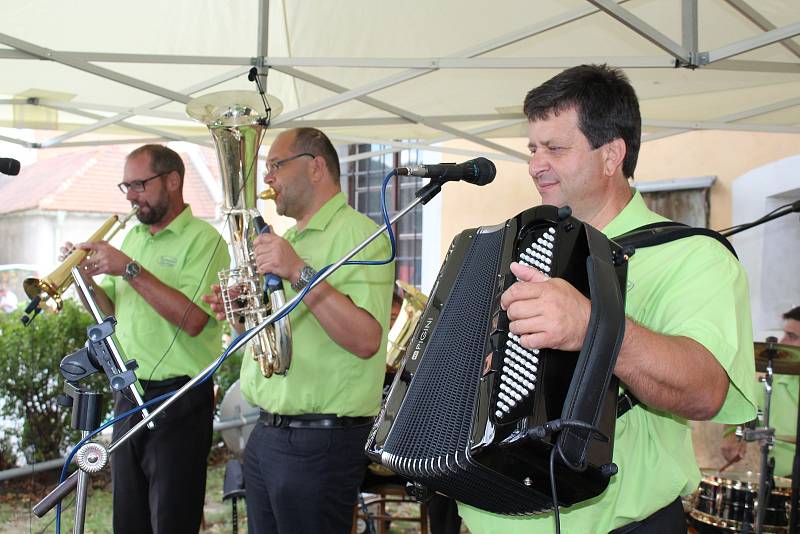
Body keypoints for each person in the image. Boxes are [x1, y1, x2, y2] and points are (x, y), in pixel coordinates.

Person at [458, 64, 757, 533]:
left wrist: (593, 327)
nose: (537, 163)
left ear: (612, 154)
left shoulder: (692, 257)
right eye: (533, 148)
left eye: (555, 148)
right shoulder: (513, 254)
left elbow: (706, 390)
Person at [204, 127, 395, 534]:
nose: (268, 178)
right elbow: (273, 334)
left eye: (276, 165)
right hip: (267, 432)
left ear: (316, 167)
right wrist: (242, 310)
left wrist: (298, 271)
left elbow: (366, 340)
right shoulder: (289, 238)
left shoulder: (362, 236)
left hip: (319, 442)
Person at [62, 144, 230, 534]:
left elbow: (193, 321)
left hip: (179, 398)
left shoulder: (205, 241)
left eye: (138, 184)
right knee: (128, 518)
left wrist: (131, 269)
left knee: (172, 519)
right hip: (129, 393)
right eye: (126, 186)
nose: (131, 196)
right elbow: (111, 315)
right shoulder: (133, 238)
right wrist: (84, 282)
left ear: (172, 180)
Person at [721, 306, 800, 477]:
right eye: (785, 333)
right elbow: (740, 413)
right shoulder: (770, 380)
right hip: (776, 485)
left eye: (792, 337)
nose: (782, 342)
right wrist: (732, 436)